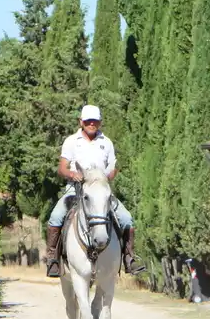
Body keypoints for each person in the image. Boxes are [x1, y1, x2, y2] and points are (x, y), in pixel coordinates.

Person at [45, 104, 145, 278]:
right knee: (56, 216)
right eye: (88, 121)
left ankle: (129, 257)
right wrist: (71, 173)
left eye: (95, 121)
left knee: (126, 218)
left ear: (100, 122)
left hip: (101, 191)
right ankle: (53, 259)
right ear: (81, 121)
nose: (92, 124)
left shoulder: (106, 143)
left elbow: (113, 168)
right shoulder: (71, 141)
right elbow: (61, 168)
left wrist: (108, 176)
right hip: (75, 190)